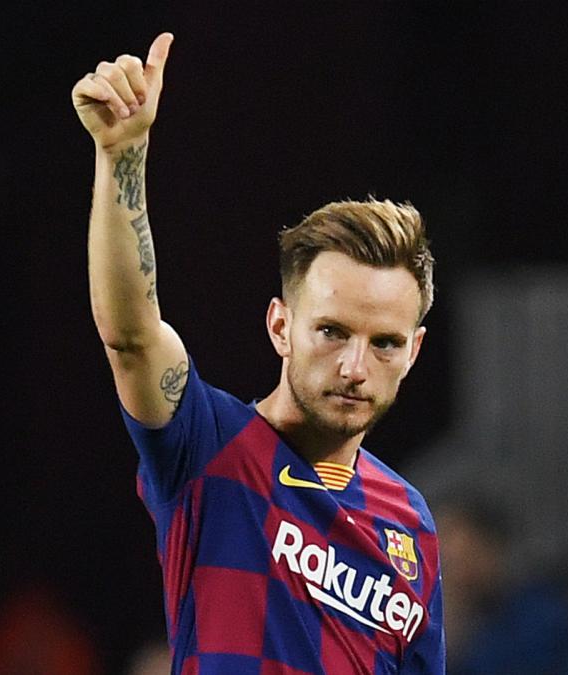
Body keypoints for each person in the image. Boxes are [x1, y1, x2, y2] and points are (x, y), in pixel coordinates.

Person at [71, 33, 445, 674]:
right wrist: (121, 154)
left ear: (413, 352)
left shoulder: (410, 523)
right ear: (280, 327)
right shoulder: (211, 445)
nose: (355, 367)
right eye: (331, 332)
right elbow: (131, 336)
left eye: (384, 343)